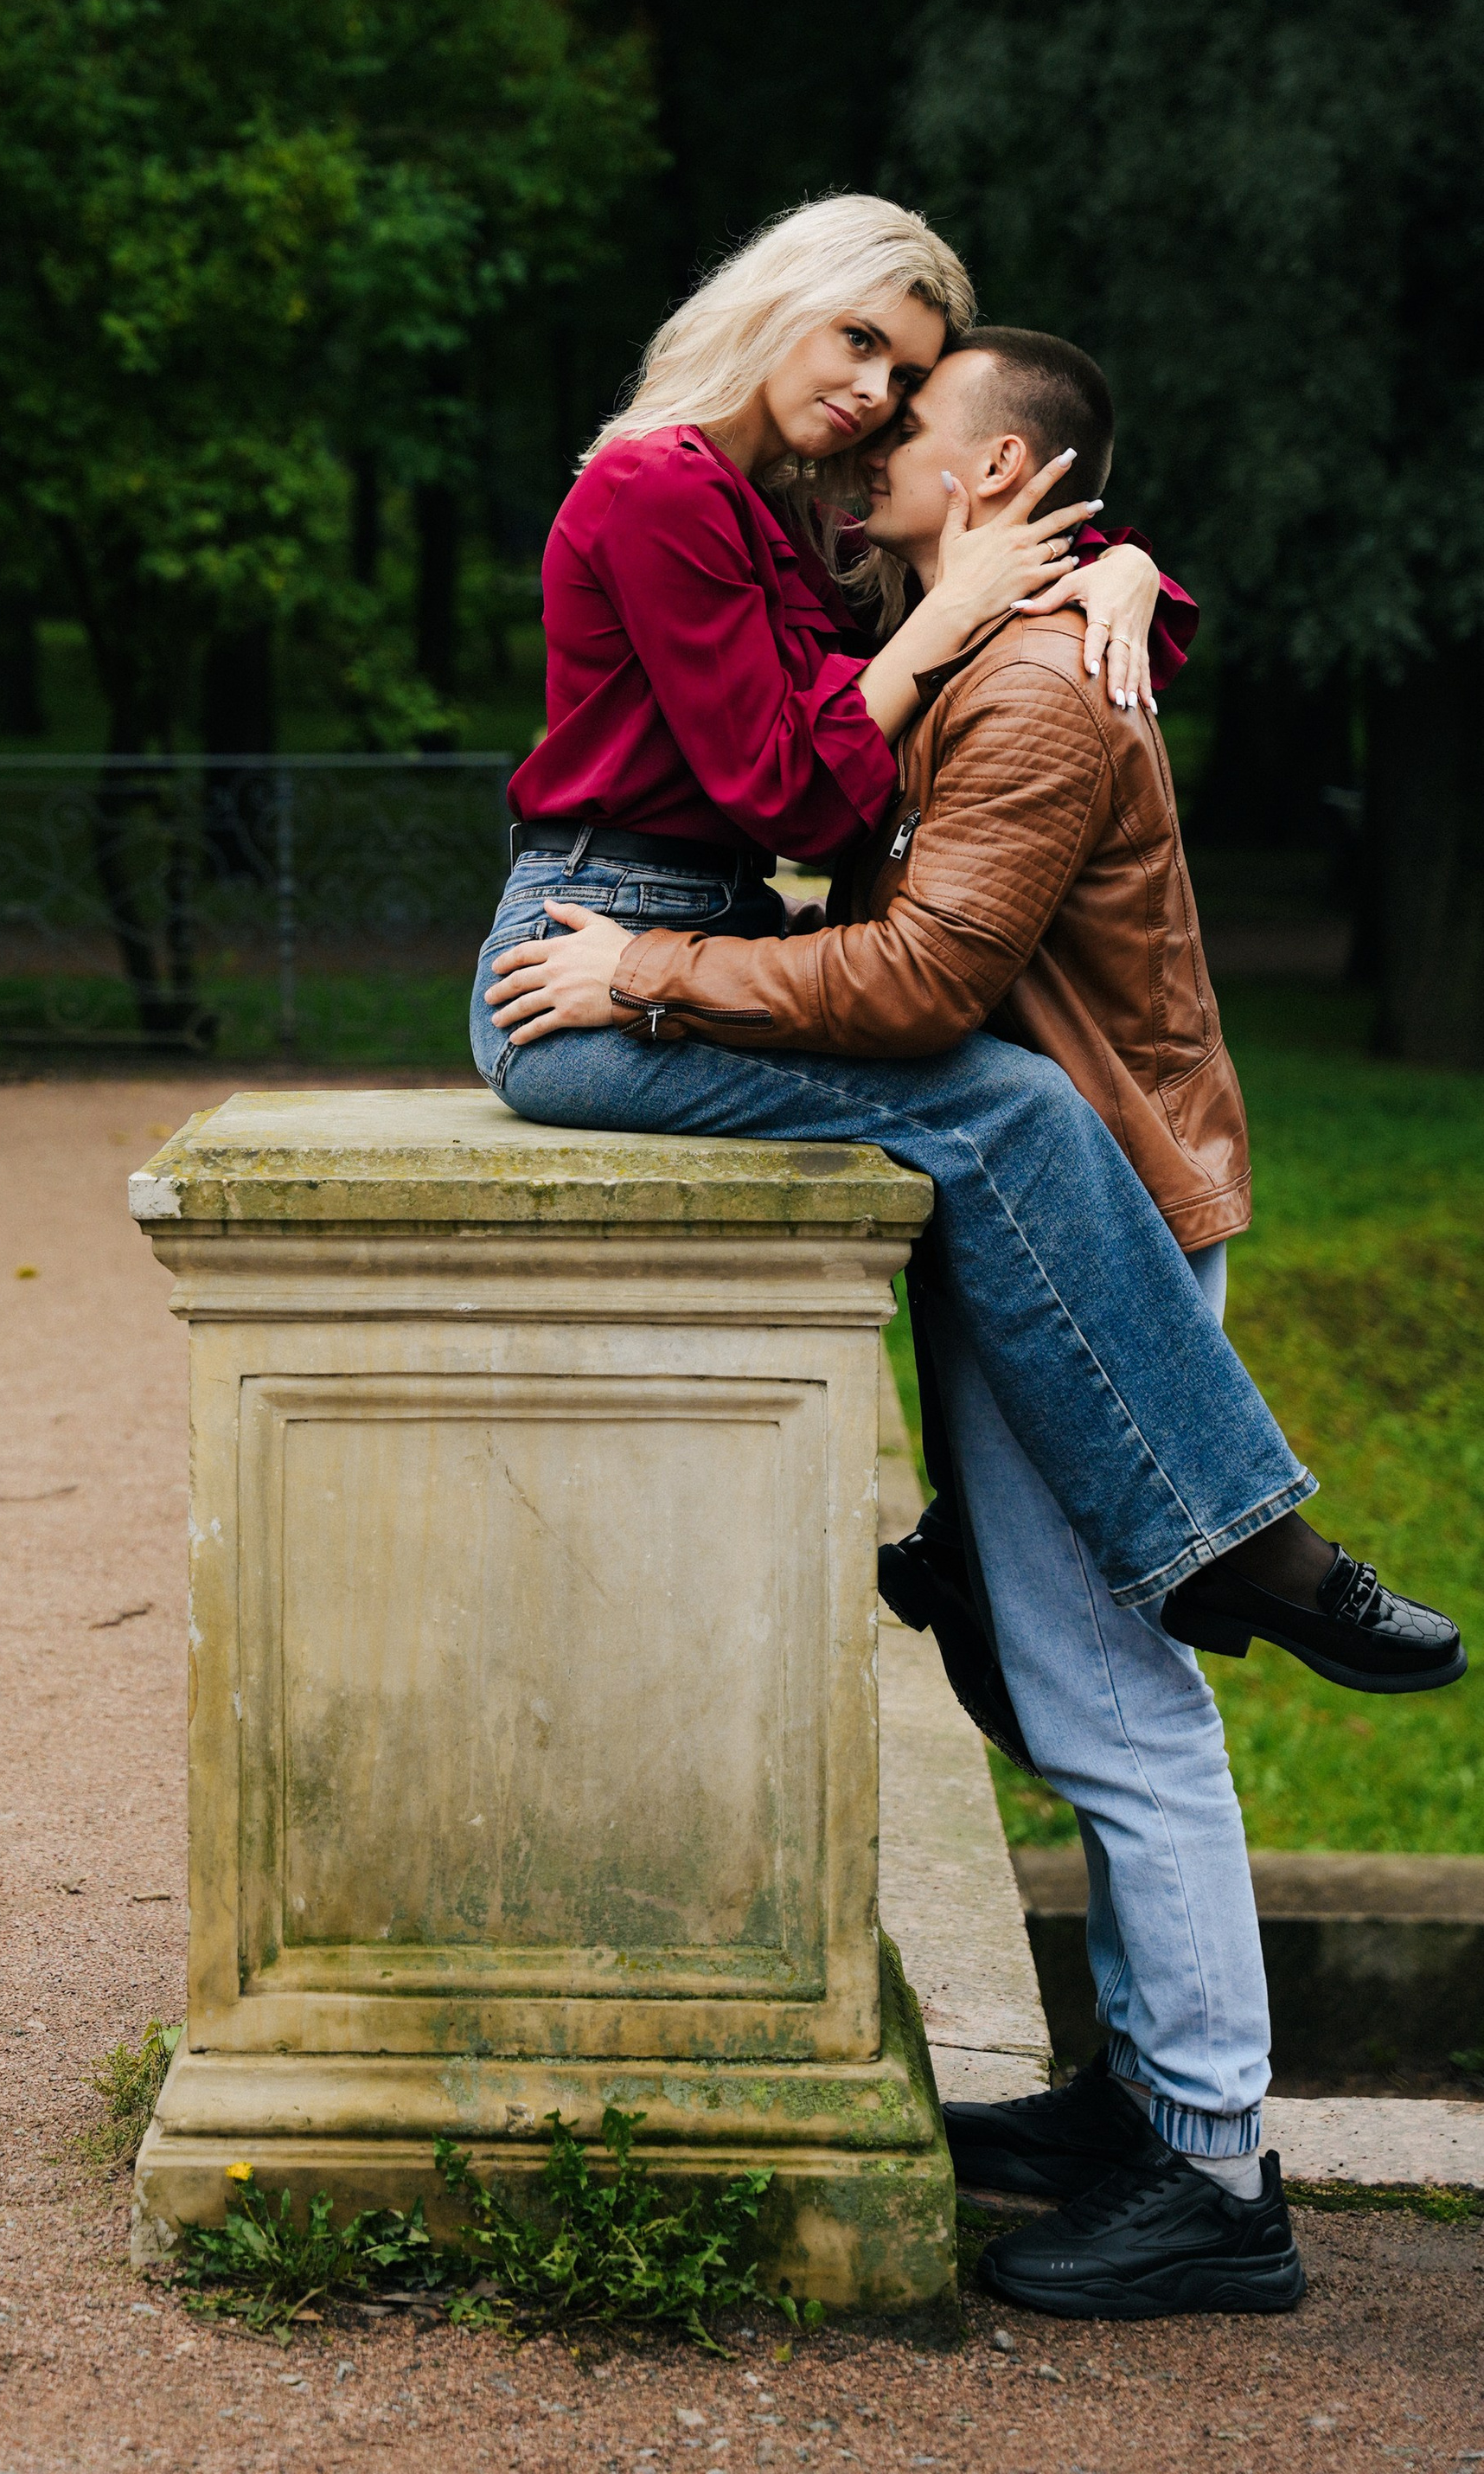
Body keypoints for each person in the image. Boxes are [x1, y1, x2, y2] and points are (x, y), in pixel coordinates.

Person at [483, 327, 1464, 2320]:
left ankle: (1209, 2175)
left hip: (1093, 1208)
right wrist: (1132, 565)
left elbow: (925, 976)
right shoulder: (979, 613)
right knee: (1066, 1680)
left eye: (903, 430)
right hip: (1031, 1221)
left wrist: (646, 972)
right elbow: (815, 642)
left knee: (1121, 1708)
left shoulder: (1026, 681)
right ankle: (1143, 2103)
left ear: (999, 476)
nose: (858, 462)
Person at [468, 201, 1429, 1683]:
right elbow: (787, 787)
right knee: (1007, 1101)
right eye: (858, 338)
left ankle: (996, 1549)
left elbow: (1014, 568)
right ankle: (1236, 1536)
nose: (868, 391)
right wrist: (940, 626)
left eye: (901, 373)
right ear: (783, 295)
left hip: (693, 934)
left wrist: (1126, 570)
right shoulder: (658, 487)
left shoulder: (771, 509)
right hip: (588, 955)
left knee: (994, 1100)